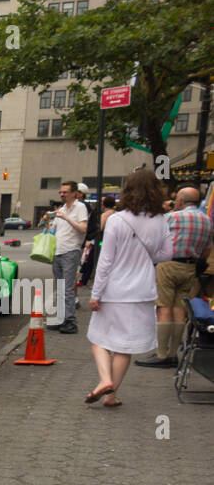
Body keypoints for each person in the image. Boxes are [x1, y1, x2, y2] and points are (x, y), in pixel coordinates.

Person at [85, 168, 173, 407]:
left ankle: (104, 380)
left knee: (99, 340)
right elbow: (167, 254)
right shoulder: (161, 221)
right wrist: (147, 255)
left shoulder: (116, 220)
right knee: (124, 346)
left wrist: (96, 293)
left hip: (114, 290)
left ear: (129, 191)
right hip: (142, 291)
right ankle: (111, 396)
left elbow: (105, 262)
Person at [136, 185, 213, 368]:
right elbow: (206, 250)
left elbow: (153, 242)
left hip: (168, 266)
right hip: (191, 268)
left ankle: (162, 354)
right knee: (180, 309)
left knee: (164, 308)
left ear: (180, 201)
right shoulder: (207, 221)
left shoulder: (171, 217)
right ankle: (173, 353)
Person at [42, 179, 90, 333]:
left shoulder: (80, 207)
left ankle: (70, 322)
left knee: (68, 288)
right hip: (58, 251)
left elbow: (83, 229)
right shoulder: (62, 208)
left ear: (74, 193)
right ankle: (62, 319)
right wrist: (47, 222)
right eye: (60, 192)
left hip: (71, 251)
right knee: (61, 288)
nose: (62, 194)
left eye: (65, 192)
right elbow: (53, 231)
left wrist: (66, 218)